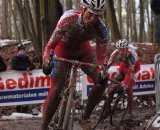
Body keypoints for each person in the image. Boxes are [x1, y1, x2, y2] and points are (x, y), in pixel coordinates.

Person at [42, 0, 109, 129]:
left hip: (84, 51)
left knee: (102, 82)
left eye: (98, 15)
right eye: (91, 14)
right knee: (56, 89)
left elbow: (102, 54)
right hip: (62, 51)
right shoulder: (68, 18)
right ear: (83, 9)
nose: (94, 19)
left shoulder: (102, 28)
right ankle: (43, 127)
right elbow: (50, 46)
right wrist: (46, 61)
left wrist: (102, 71)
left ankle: (85, 116)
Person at [106, 39, 140, 118]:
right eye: (119, 50)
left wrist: (124, 83)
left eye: (122, 50)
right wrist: (104, 72)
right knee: (112, 86)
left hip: (134, 68)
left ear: (126, 49)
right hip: (123, 66)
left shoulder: (132, 56)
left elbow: (130, 72)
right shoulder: (115, 52)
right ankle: (107, 109)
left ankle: (129, 112)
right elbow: (109, 63)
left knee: (128, 88)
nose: (120, 52)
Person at [11, 44, 35, 113]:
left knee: (26, 94)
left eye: (23, 51)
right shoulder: (15, 58)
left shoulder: (26, 58)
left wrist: (29, 68)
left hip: (26, 81)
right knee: (18, 94)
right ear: (18, 52)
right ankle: (18, 111)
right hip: (17, 81)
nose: (22, 52)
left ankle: (25, 111)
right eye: (21, 51)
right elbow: (14, 67)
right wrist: (25, 68)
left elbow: (32, 66)